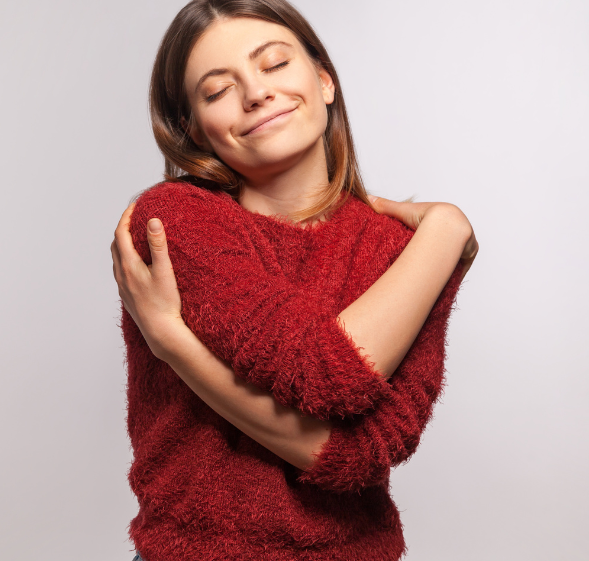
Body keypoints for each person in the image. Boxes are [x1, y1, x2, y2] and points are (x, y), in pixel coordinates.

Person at [109, 1, 479, 560]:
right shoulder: (174, 220)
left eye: (274, 63)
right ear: (194, 129)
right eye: (216, 91)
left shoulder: (407, 249)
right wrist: (449, 229)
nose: (256, 93)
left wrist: (176, 345)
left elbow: (371, 451)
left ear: (324, 81)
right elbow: (330, 369)